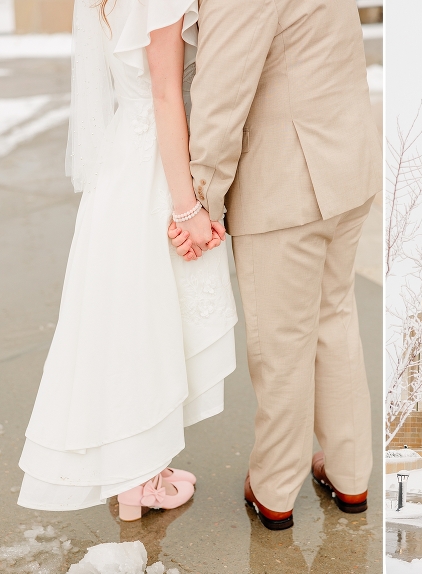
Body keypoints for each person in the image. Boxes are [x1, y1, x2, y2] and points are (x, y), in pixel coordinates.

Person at [17, 0, 236, 520]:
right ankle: (141, 480)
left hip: (123, 160)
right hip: (152, 170)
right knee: (149, 321)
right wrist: (186, 208)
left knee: (130, 319)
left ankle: (139, 475)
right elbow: (165, 95)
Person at [167, 0, 382, 530]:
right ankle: (350, 475)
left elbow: (223, 92)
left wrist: (200, 201)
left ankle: (273, 490)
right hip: (345, 165)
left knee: (281, 346)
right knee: (335, 322)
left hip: (286, 181)